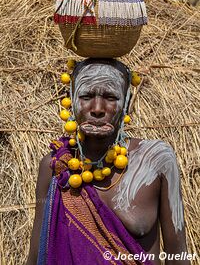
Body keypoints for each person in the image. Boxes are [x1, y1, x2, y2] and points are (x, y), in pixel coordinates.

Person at [27, 58, 190, 265]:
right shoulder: (56, 167)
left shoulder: (155, 160)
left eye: (111, 97)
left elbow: (178, 254)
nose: (97, 108)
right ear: (71, 100)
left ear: (127, 104)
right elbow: (36, 255)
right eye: (86, 96)